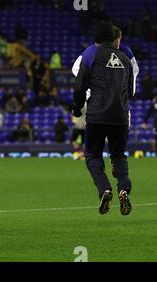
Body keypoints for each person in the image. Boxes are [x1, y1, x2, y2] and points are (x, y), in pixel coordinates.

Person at [72, 22, 133, 215]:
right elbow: (130, 91)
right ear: (115, 39)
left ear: (96, 39)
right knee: (118, 155)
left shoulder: (90, 54)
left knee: (93, 156)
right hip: (120, 115)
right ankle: (123, 187)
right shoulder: (125, 57)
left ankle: (104, 189)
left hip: (97, 114)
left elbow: (80, 85)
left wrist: (77, 108)